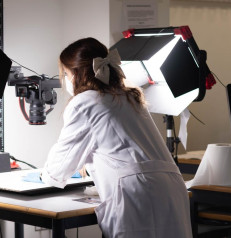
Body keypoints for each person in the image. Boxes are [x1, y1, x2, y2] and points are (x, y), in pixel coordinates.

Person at [39, 38, 192, 238]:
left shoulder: (84, 102)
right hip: (171, 189)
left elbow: (57, 170)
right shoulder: (130, 97)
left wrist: (44, 175)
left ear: (76, 73)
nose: (66, 80)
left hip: (137, 194)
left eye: (66, 74)